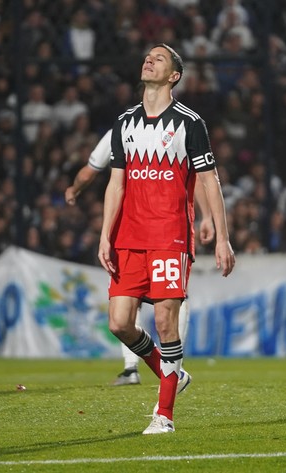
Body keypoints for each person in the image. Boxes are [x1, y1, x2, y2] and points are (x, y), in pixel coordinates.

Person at [98, 44, 235, 434]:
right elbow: (116, 183)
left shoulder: (190, 122)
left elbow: (209, 180)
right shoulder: (124, 121)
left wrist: (222, 237)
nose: (150, 60)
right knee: (119, 323)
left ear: (174, 75)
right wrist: (105, 235)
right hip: (128, 237)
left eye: (160, 58)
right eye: (148, 56)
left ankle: (165, 414)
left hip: (170, 237)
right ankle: (171, 373)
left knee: (164, 320)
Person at [65, 129, 215, 386]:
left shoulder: (180, 124)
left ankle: (143, 370)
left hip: (163, 232)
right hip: (132, 234)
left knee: (164, 305)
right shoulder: (123, 127)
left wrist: (74, 188)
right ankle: (167, 369)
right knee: (125, 315)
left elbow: (89, 170)